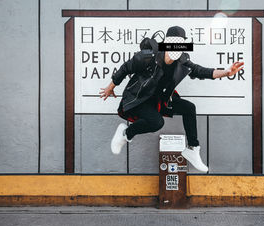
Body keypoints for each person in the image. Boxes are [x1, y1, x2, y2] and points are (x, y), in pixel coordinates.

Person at [99, 26, 244, 172]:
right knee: (157, 122)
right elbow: (126, 68)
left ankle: (192, 149)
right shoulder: (148, 56)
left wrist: (226, 72)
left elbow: (201, 71)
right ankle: (126, 133)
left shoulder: (182, 60)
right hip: (140, 98)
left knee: (189, 108)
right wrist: (110, 87)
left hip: (161, 99)